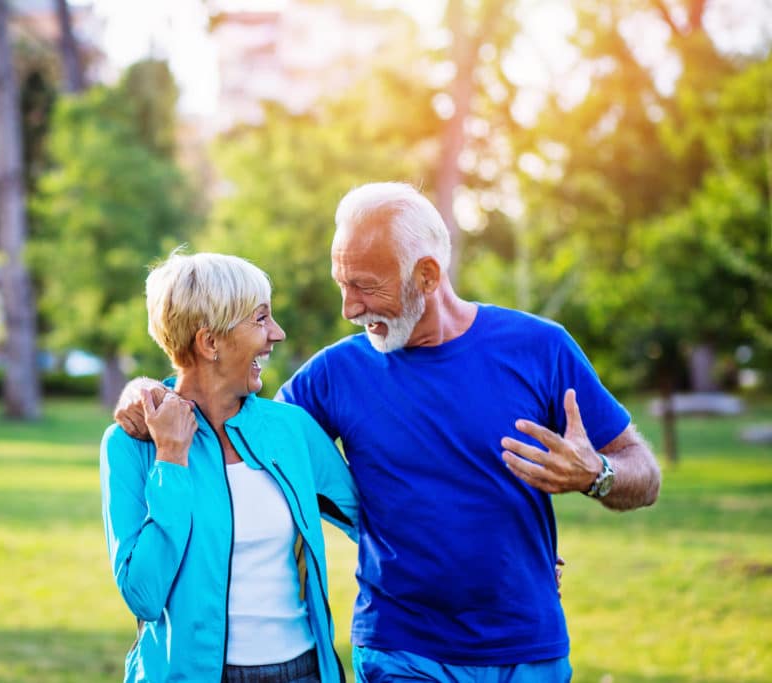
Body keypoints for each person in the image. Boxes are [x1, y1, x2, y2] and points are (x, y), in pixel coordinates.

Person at [115, 182, 662, 682]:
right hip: (401, 648)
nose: (350, 308)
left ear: (426, 275)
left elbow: (645, 474)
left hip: (528, 644)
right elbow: (238, 427)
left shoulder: (541, 347)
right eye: (342, 285)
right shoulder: (336, 375)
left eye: (365, 287)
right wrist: (145, 391)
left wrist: (598, 475)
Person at [100, 251, 359, 683]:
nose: (276, 333)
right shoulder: (132, 446)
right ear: (210, 343)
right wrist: (171, 459)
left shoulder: (290, 429)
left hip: (303, 672)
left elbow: (376, 518)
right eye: (260, 319)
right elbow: (143, 595)